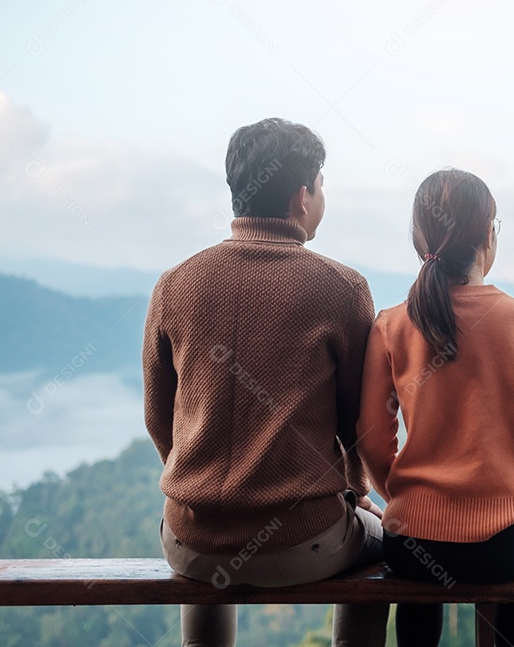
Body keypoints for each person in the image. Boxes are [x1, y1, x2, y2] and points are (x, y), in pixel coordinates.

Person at [143, 118, 388, 647]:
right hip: (306, 542)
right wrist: (357, 493)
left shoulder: (175, 284)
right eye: (321, 185)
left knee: (204, 563)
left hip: (189, 540)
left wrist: (204, 493)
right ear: (303, 196)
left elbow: (158, 418)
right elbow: (359, 424)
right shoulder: (342, 289)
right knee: (387, 545)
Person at [357, 168, 514, 647]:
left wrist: (410, 499)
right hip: (509, 544)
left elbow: (372, 439)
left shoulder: (391, 325)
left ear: (416, 238)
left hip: (414, 543)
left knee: (417, 598)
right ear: (489, 235)